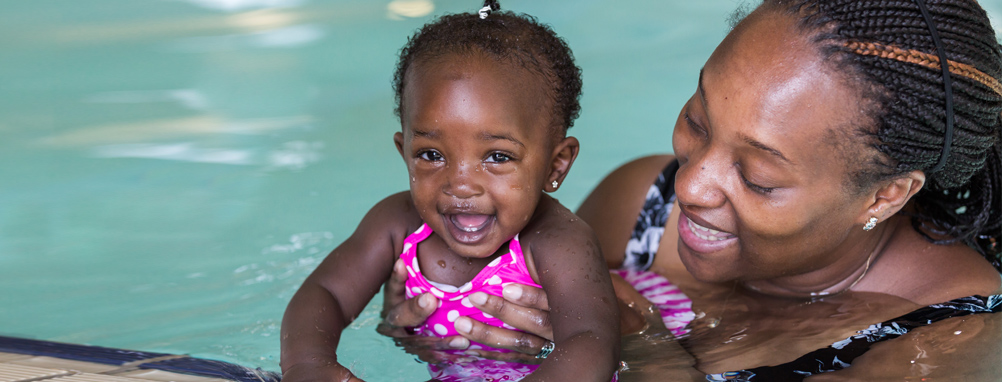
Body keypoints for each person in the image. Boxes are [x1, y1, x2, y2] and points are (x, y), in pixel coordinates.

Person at [378, 0, 1002, 380]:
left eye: (757, 177)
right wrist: (436, 321)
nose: (692, 184)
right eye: (698, 121)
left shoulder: (948, 342)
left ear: (885, 196)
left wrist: (637, 342)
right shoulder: (639, 206)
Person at [279, 2, 622, 381]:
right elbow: (324, 292)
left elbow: (590, 341)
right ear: (404, 152)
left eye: (497, 156)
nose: (460, 184)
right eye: (431, 154)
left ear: (556, 165)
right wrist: (309, 364)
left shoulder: (560, 242)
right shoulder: (396, 224)